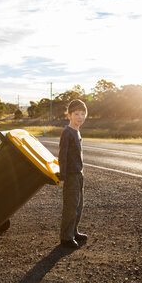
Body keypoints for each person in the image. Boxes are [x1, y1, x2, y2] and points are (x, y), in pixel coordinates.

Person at [59, 99, 88, 248]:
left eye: (83, 114)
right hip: (70, 175)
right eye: (76, 114)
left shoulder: (77, 131)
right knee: (70, 206)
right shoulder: (67, 132)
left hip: (78, 174)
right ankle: (66, 237)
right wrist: (62, 177)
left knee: (79, 205)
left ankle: (74, 231)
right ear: (69, 115)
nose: (80, 117)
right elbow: (62, 156)